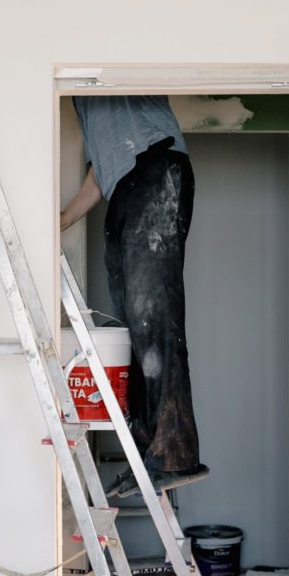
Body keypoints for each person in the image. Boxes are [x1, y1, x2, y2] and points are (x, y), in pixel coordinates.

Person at [60, 95, 208, 498]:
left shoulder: (107, 68)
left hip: (154, 168)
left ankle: (175, 454)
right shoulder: (81, 100)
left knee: (153, 318)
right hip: (123, 187)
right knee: (135, 328)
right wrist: (63, 220)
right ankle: (150, 455)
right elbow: (100, 172)